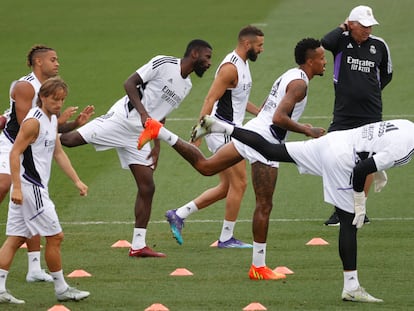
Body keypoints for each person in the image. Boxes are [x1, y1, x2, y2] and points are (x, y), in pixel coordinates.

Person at [139, 38, 326, 278]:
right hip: (264, 142)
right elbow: (279, 118)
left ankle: (159, 130)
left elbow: (275, 112)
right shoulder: (300, 85)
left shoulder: (291, 75)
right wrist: (307, 130)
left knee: (206, 167)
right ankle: (258, 267)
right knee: (264, 205)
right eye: (321, 58)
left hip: (253, 130)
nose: (325, 62)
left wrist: (299, 125)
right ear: (310, 61)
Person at [190, 116, 414, 303]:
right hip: (341, 158)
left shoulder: (407, 125)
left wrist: (380, 169)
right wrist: (359, 201)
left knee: (271, 151)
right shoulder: (406, 148)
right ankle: (351, 287)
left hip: (334, 141)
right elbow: (361, 169)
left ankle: (220, 126)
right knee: (349, 221)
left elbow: (375, 141)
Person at [60, 39, 213, 258]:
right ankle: (44, 129)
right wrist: (142, 113)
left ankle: (138, 245)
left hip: (140, 136)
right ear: (195, 54)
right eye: (207, 58)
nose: (209, 63)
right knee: (68, 140)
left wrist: (157, 144)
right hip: (121, 120)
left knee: (147, 186)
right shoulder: (164, 62)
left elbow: (162, 113)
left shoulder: (187, 85)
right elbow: (129, 83)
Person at [0, 45, 94, 283]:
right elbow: (28, 128)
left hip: (30, 148)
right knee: (8, 186)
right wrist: (56, 120)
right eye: (53, 59)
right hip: (11, 145)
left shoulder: (47, 98)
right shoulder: (25, 87)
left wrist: (71, 124)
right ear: (38, 62)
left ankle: (33, 269)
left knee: (22, 223)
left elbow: (46, 132)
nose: (57, 63)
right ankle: (61, 286)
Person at [165, 25, 263, 248]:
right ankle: (226, 238)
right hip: (223, 132)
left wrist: (259, 112)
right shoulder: (230, 67)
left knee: (227, 187)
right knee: (240, 183)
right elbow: (210, 99)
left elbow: (238, 98)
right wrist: (199, 131)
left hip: (230, 130)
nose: (262, 49)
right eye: (260, 45)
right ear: (247, 45)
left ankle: (179, 214)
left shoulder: (243, 65)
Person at [321, 5, 393, 226]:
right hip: (343, 112)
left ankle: (358, 209)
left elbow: (386, 74)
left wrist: (369, 91)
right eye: (363, 25)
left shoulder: (379, 45)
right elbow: (324, 42)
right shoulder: (341, 41)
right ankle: (339, 209)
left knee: (365, 161)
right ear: (351, 24)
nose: (368, 30)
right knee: (335, 158)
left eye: (370, 26)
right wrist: (343, 26)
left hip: (371, 112)